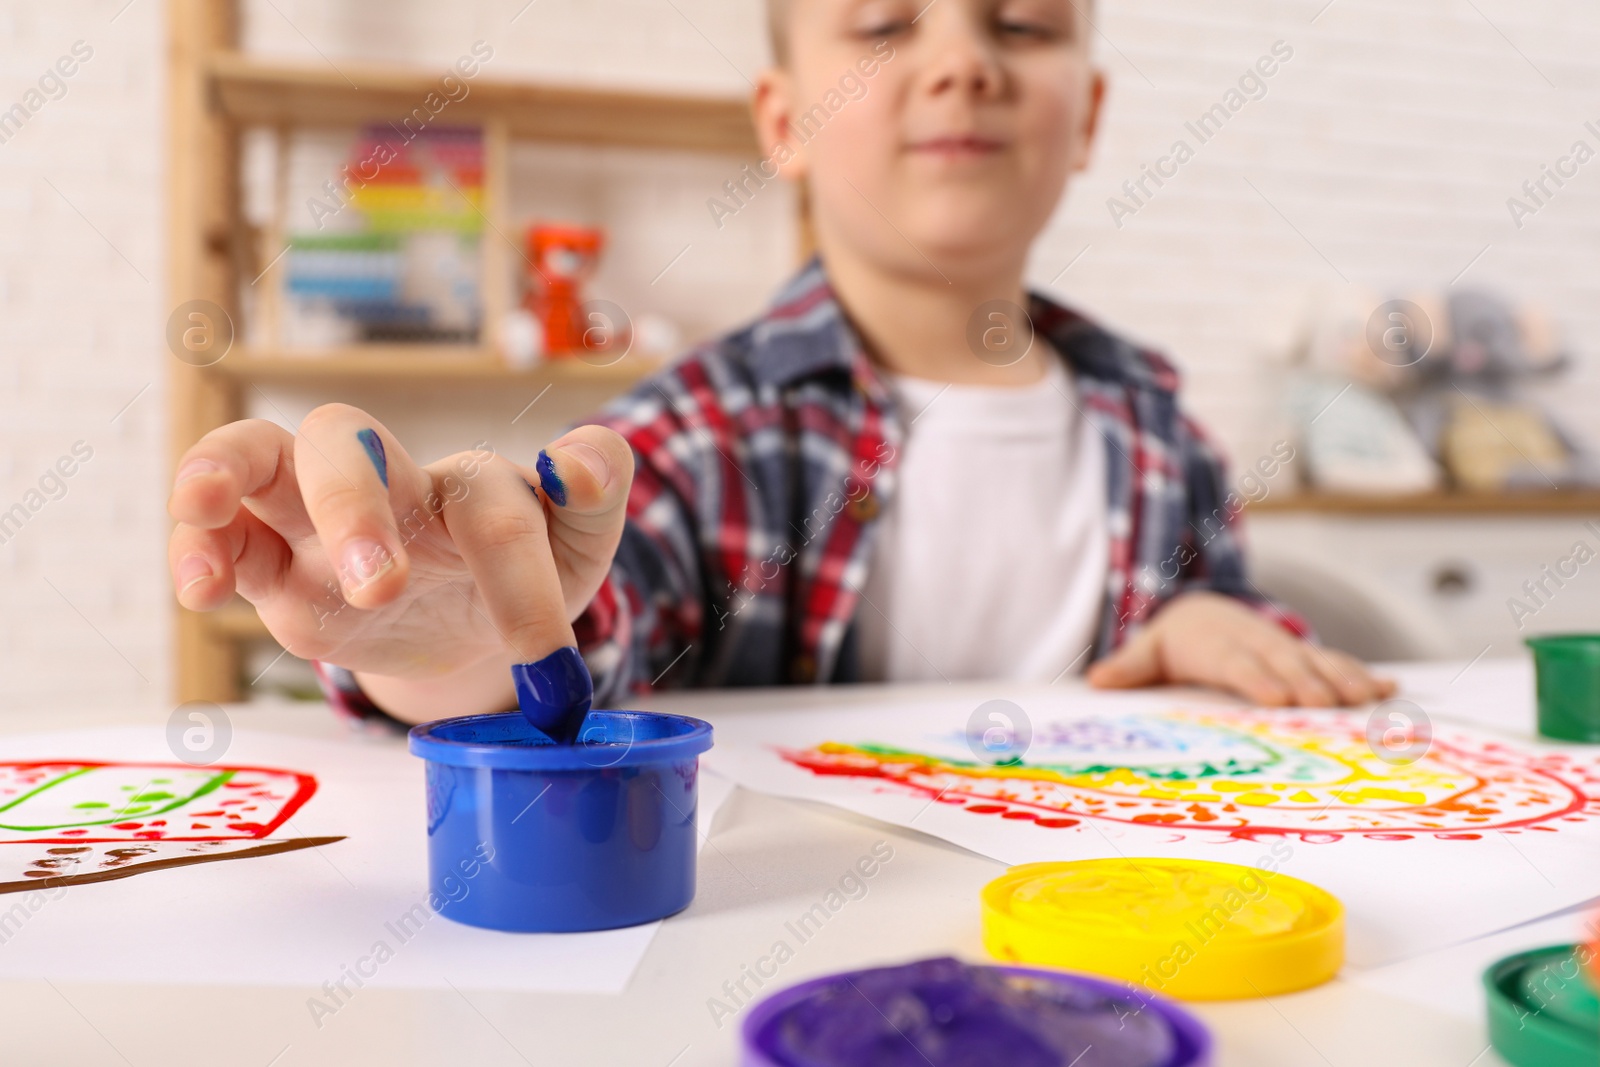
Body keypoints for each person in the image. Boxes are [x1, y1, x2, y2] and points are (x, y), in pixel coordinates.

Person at [167, 0, 1394, 727]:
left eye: (1021, 22)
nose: (964, 58)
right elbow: (584, 619)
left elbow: (1258, 647)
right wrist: (460, 643)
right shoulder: (700, 428)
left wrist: (1213, 626)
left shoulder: (1159, 423)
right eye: (879, 24)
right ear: (780, 121)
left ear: (1091, 116)